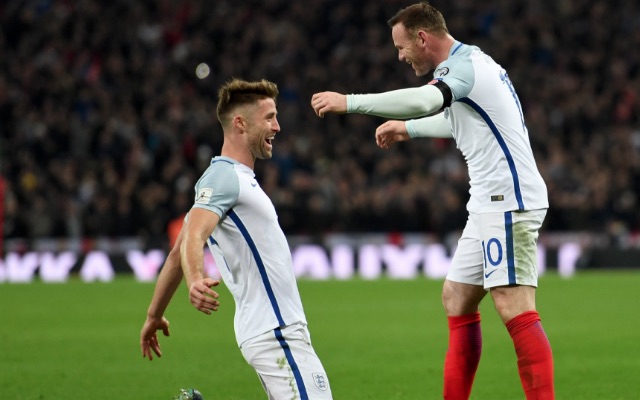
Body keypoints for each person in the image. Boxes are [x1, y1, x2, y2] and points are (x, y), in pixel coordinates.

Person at [311, 2, 554, 399]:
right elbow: (457, 117)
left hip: (508, 200)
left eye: (401, 47)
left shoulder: (463, 69)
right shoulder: (470, 65)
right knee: (457, 297)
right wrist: (409, 129)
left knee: (514, 305)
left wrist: (350, 101)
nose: (400, 55)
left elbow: (429, 101)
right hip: (488, 203)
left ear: (423, 38)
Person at [140, 78, 332, 399]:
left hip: (271, 331)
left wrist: (154, 315)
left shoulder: (228, 182)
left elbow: (176, 254)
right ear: (240, 123)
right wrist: (196, 280)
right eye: (269, 117)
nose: (278, 126)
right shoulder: (223, 177)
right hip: (276, 332)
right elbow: (194, 237)